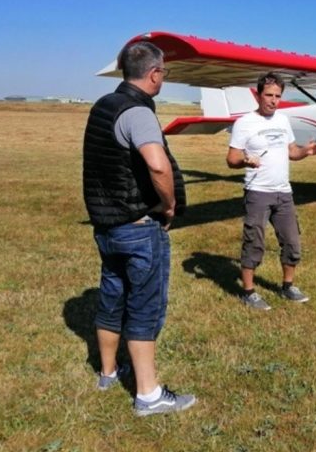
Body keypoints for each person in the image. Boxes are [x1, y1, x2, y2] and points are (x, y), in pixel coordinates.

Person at [82, 41, 196, 416]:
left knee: (112, 297)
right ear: (154, 74)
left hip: (106, 226)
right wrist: (167, 204)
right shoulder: (138, 112)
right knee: (145, 306)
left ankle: (108, 372)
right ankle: (148, 395)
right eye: (163, 72)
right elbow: (158, 165)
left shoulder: (104, 105)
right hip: (137, 227)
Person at [226, 72, 316, 310]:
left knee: (292, 242)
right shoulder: (245, 122)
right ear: (258, 95)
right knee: (254, 243)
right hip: (257, 192)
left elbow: (291, 151)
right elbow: (231, 158)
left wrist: (306, 151)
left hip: (284, 193)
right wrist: (246, 160)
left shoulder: (282, 121)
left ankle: (288, 286)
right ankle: (248, 292)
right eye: (268, 95)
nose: (273, 100)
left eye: (278, 96)